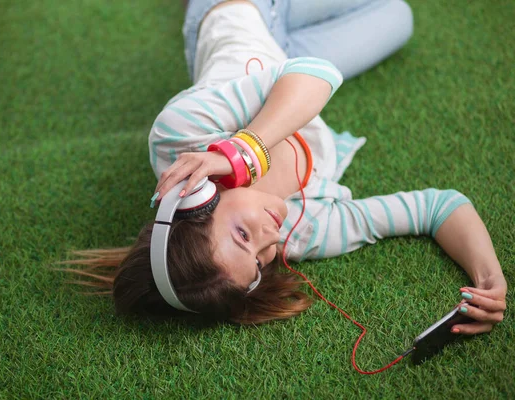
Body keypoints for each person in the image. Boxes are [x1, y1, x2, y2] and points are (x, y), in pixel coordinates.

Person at [65, 0, 507, 333]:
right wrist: (488, 277)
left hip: (240, 8)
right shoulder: (304, 231)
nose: (271, 238)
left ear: (195, 199)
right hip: (290, 47)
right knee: (398, 16)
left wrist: (236, 153)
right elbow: (434, 208)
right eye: (259, 263)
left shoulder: (180, 138)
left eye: (243, 235)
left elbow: (315, 75)